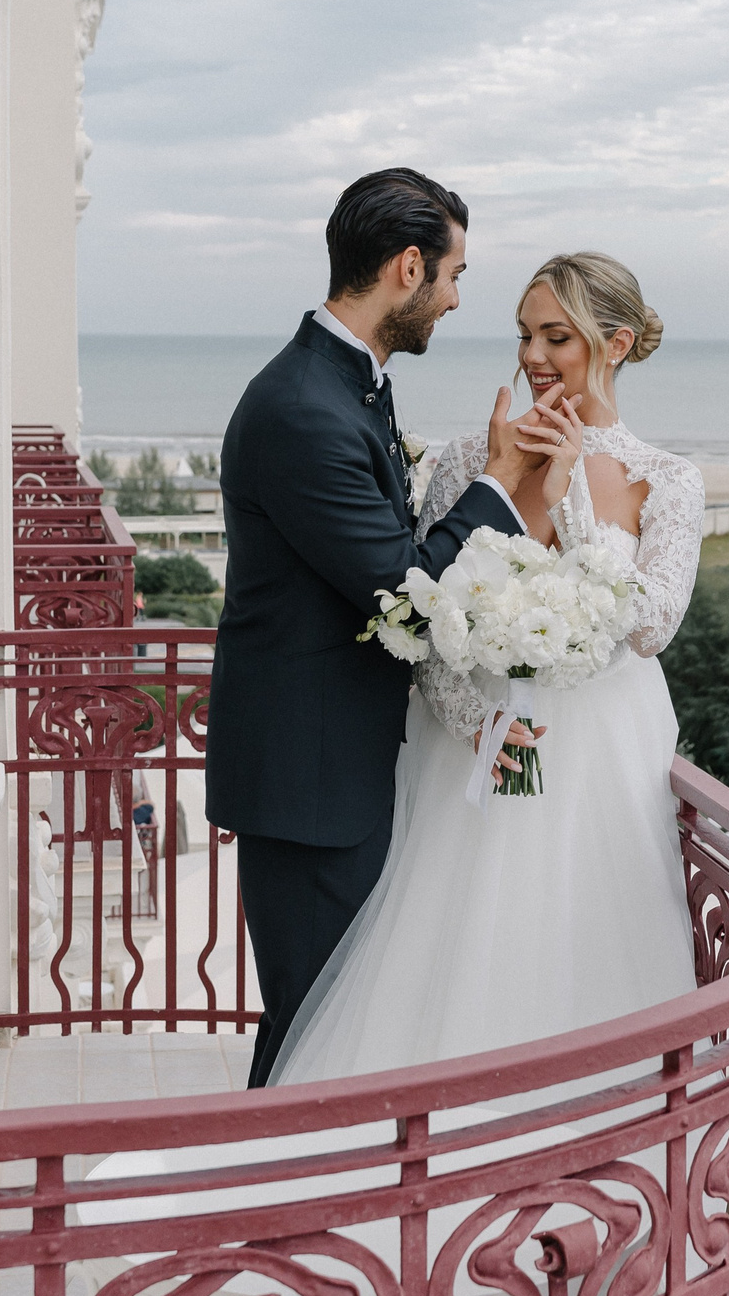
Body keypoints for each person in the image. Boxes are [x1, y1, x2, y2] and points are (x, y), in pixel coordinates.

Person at [265, 251, 705, 1087]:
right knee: (454, 971)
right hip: (472, 764)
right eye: (525, 335)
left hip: (600, 777)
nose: (535, 356)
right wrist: (479, 725)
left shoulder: (670, 482)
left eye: (558, 337)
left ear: (613, 344)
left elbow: (650, 626)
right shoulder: (472, 459)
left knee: (588, 973)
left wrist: (571, 491)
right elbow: (421, 616)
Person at [204, 168, 543, 1089]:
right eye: (453, 274)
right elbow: (402, 595)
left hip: (328, 766)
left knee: (332, 1025)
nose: (456, 298)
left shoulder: (346, 385)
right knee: (315, 1033)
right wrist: (499, 485)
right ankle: (275, 1213)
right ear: (406, 268)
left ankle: (291, 1211)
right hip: (308, 782)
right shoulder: (307, 409)